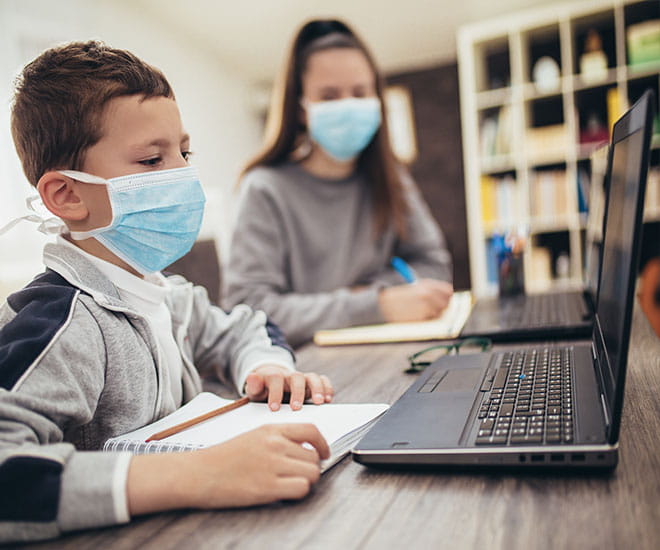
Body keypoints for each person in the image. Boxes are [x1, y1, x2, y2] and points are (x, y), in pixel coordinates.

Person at [0, 41, 334, 543]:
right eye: (153, 160)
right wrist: (199, 475)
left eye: (184, 151)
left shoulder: (162, 293)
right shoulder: (59, 324)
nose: (182, 173)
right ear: (67, 195)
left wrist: (265, 367)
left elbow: (243, 327)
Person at [224, 19, 453, 347]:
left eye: (360, 93)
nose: (347, 105)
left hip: (393, 350)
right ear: (302, 108)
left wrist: (375, 292)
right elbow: (248, 309)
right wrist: (377, 304)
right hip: (307, 370)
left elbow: (434, 265)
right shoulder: (264, 188)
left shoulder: (393, 178)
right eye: (329, 96)